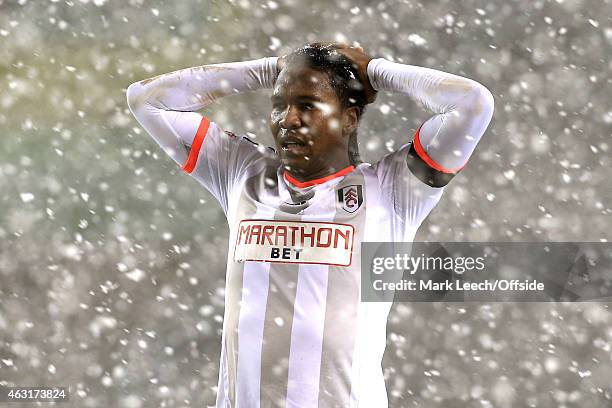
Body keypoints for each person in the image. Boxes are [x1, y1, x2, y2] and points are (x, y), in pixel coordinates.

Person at [126, 42, 494, 407]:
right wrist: (273, 68)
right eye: (280, 106)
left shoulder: (392, 188)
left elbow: (473, 104)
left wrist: (375, 72)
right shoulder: (242, 173)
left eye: (307, 105)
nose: (288, 119)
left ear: (349, 118)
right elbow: (146, 100)